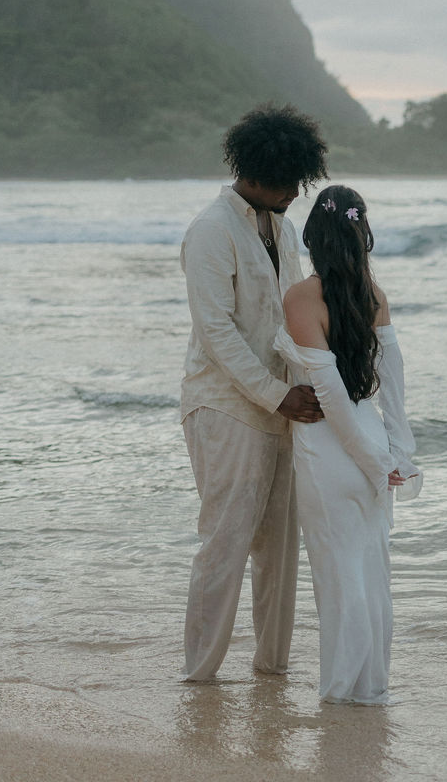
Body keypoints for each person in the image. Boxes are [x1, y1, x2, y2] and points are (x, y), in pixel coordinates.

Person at [180, 103, 328, 682]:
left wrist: (308, 388)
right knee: (225, 542)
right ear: (257, 172)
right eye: (287, 182)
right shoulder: (211, 230)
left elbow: (289, 316)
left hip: (283, 405)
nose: (294, 193)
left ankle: (273, 670)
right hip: (224, 405)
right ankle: (199, 675)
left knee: (280, 549)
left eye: (299, 182)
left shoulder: (283, 229)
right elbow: (215, 331)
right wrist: (276, 394)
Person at [276, 183, 421, 705]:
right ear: (362, 235)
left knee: (338, 579)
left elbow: (331, 398)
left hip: (329, 449)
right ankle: (371, 690)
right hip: (372, 441)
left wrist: (377, 462)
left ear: (313, 237)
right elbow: (394, 387)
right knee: (372, 575)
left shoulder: (300, 298)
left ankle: (341, 695)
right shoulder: (374, 295)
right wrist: (397, 456)